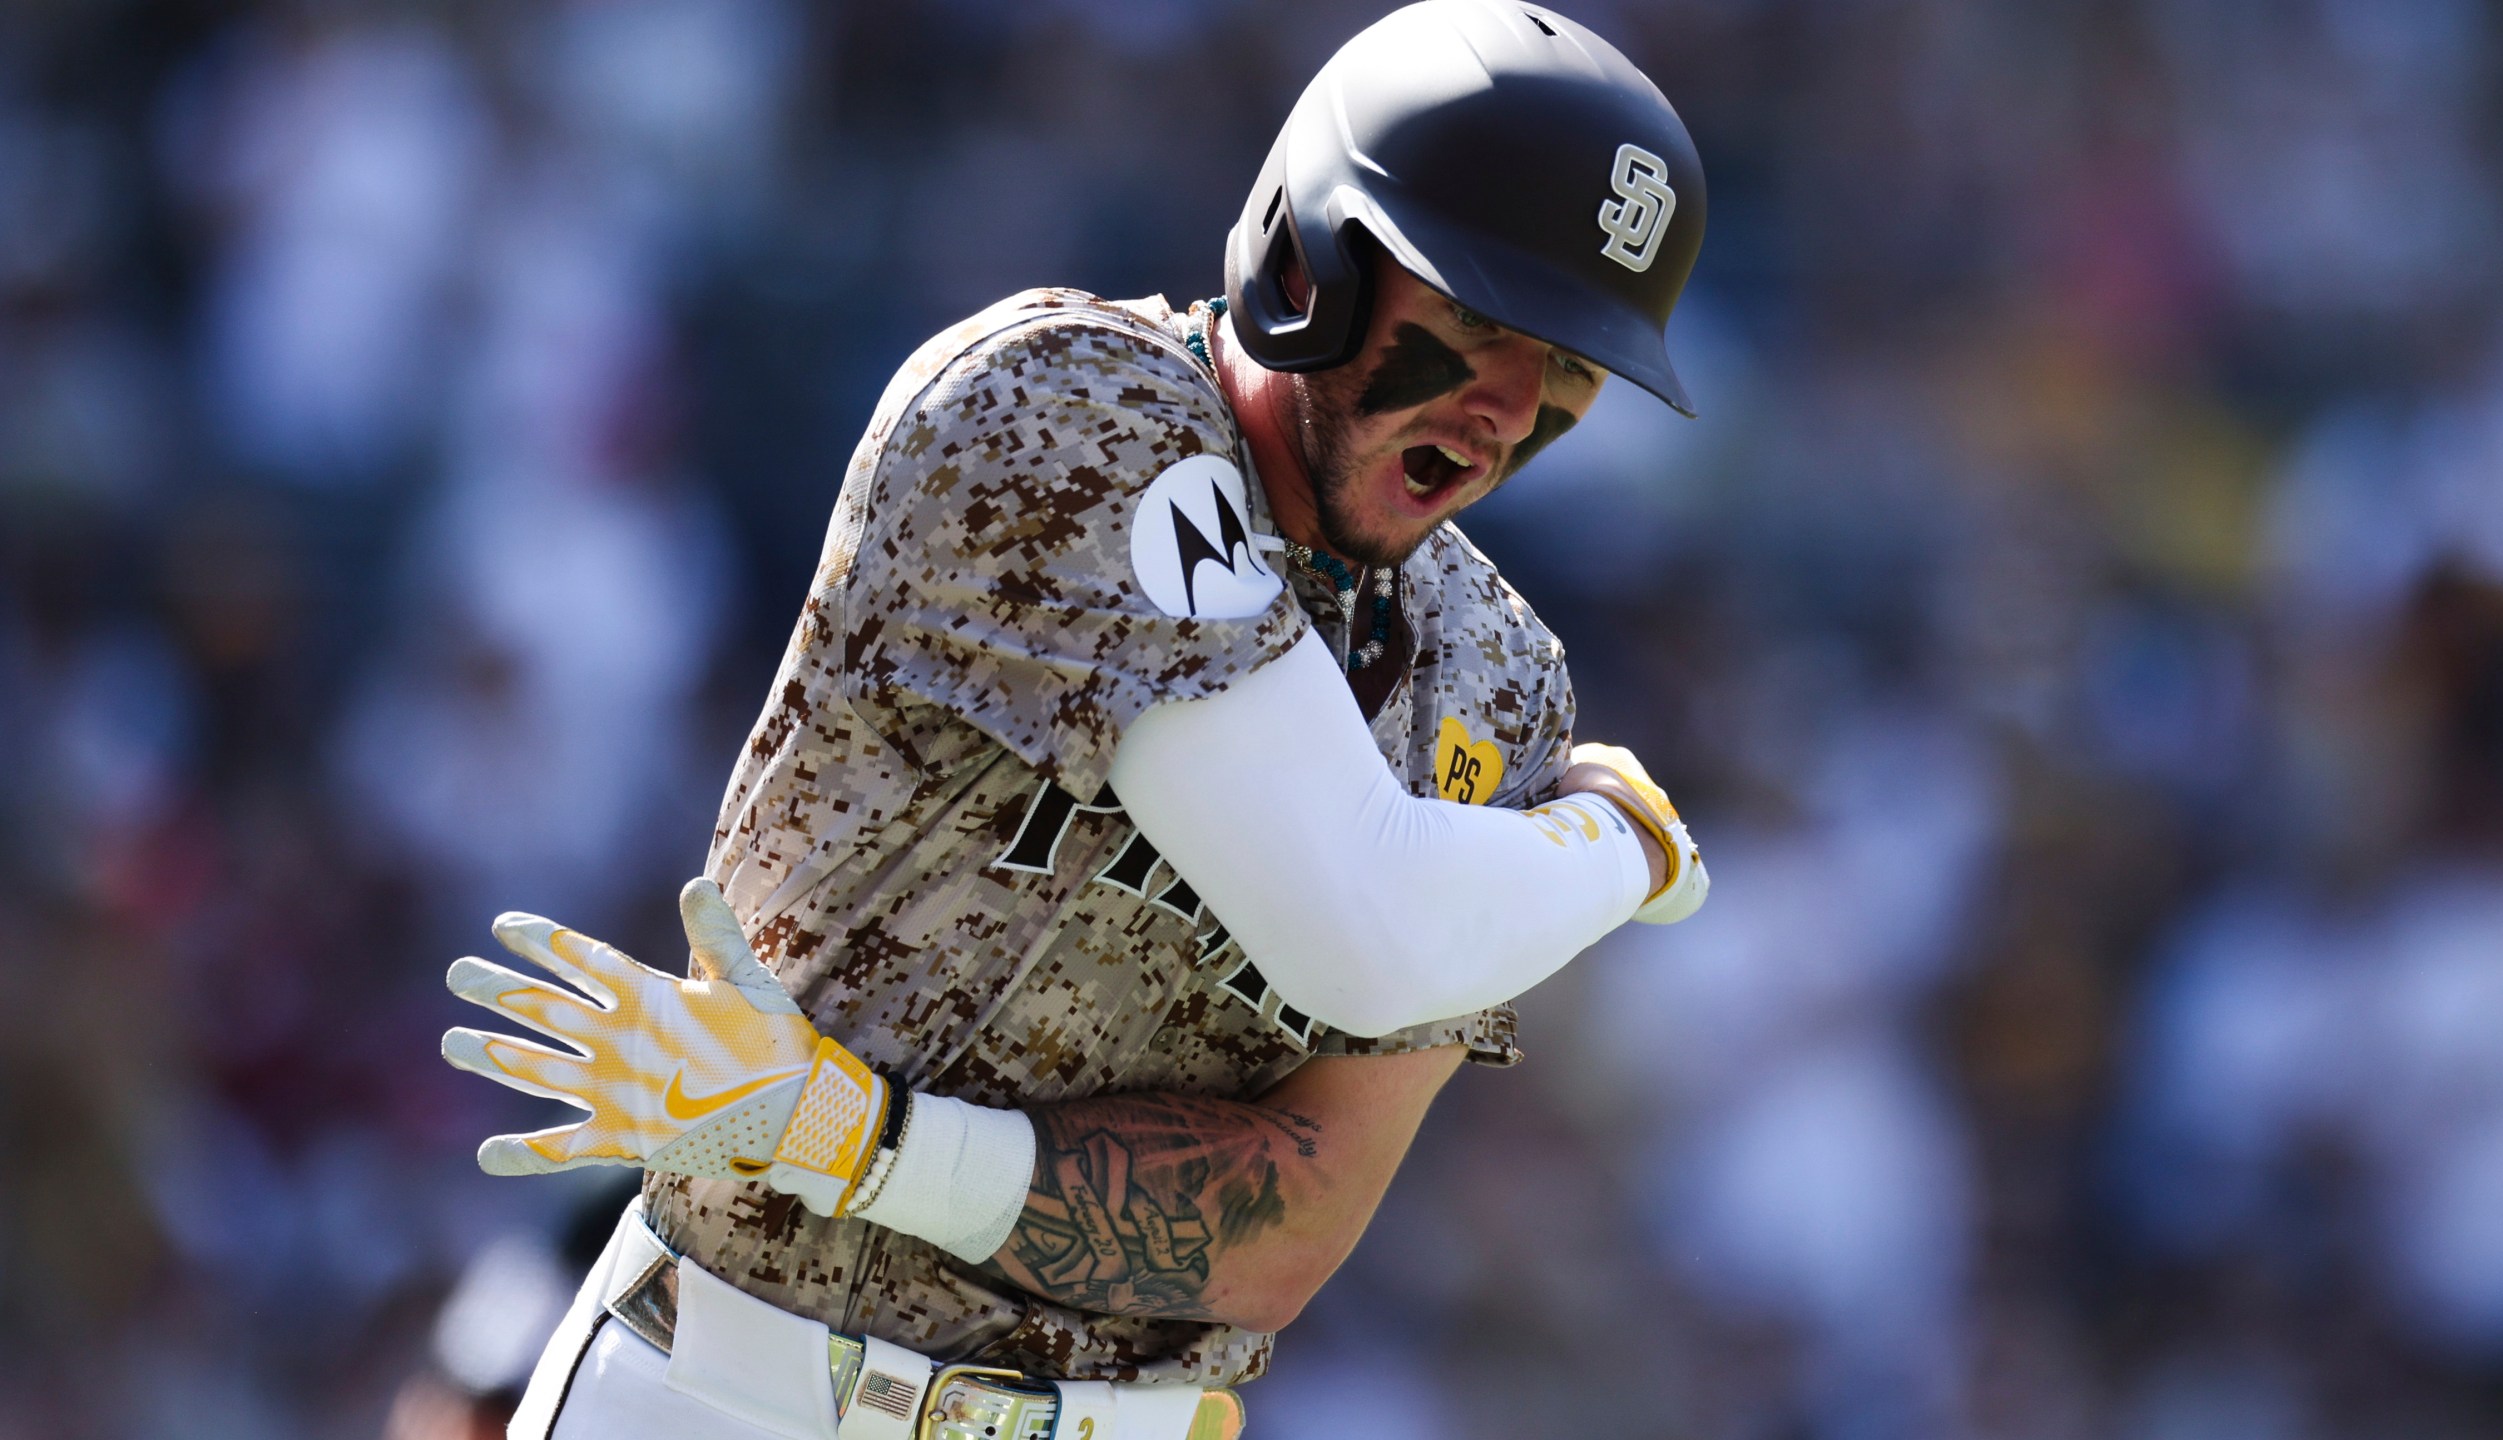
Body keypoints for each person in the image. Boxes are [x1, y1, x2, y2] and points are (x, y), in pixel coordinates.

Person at [440, 4, 1711, 1437]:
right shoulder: (1068, 410)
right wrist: (1627, 850)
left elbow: (1293, 1216)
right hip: (739, 1390)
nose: (1504, 411)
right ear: (1313, 258)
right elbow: (1363, 929)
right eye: (1479, 320)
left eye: (1570, 368)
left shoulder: (1490, 680)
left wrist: (868, 1146)